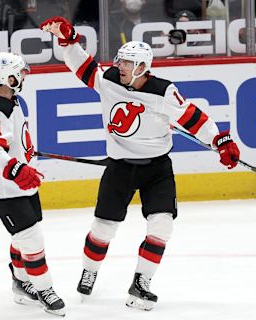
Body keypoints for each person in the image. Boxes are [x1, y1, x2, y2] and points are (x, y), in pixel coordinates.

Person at [40, 16, 240, 311]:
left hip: (156, 169)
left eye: (126, 63)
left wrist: (219, 140)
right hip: (120, 167)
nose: (119, 66)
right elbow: (82, 66)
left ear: (142, 68)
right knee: (103, 228)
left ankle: (141, 283)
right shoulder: (109, 80)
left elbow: (191, 116)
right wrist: (68, 40)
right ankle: (90, 270)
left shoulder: (163, 91)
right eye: (120, 61)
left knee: (162, 225)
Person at [0, 51, 65, 316]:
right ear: (7, 76)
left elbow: (1, 142)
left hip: (18, 181)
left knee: (24, 233)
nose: (24, 76)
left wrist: (21, 154)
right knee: (31, 237)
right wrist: (15, 168)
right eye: (20, 72)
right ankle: (44, 288)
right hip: (4, 186)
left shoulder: (8, 100)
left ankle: (22, 283)